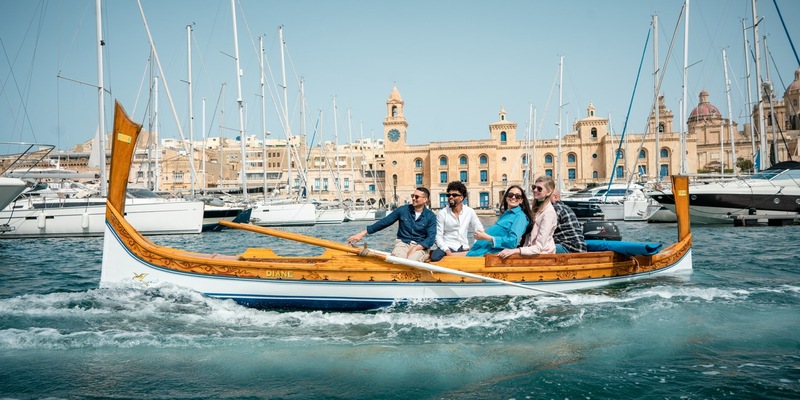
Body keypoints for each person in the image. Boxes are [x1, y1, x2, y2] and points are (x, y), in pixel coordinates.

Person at [347, 187, 436, 262]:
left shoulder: (430, 216)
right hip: (402, 243)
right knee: (399, 260)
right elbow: (384, 222)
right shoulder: (403, 210)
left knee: (411, 261)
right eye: (413, 196)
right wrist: (362, 233)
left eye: (417, 197)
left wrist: (415, 248)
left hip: (420, 246)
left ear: (425, 199)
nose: (413, 198)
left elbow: (430, 238)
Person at [498, 176, 557, 258]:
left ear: (548, 192)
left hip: (543, 255)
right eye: (534, 187)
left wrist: (516, 250)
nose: (535, 190)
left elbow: (539, 247)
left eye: (539, 189)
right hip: (528, 250)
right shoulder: (535, 207)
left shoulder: (548, 213)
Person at [466, 185, 532, 256]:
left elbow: (512, 242)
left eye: (517, 196)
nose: (513, 197)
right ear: (506, 198)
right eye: (510, 195)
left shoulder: (520, 217)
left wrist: (487, 237)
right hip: (479, 252)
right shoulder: (506, 214)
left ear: (521, 200)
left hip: (489, 256)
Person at [430, 181, 484, 262]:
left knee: (480, 254)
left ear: (461, 197)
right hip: (447, 246)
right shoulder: (442, 213)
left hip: (463, 246)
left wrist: (475, 246)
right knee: (435, 257)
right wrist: (446, 250)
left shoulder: (469, 211)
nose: (450, 197)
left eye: (454, 195)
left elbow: (479, 230)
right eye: (449, 195)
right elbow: (438, 235)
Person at [551, 189, 587, 253]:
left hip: (569, 247)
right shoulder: (566, 207)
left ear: (555, 197)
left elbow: (546, 230)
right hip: (578, 247)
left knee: (539, 251)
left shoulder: (555, 208)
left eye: (547, 197)